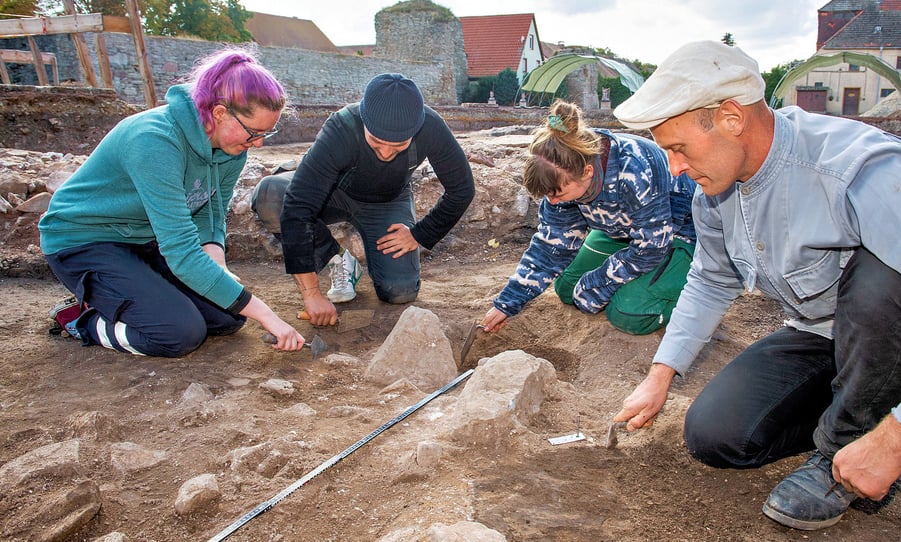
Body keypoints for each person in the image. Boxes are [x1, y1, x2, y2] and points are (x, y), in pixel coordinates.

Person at [611, 40, 901, 530]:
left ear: (730, 117)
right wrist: (660, 376)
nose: (675, 168)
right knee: (716, 435)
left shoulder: (858, 171)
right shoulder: (718, 188)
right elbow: (710, 277)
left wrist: (895, 441)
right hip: (825, 332)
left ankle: (845, 450)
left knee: (877, 282)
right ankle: (861, 405)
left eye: (678, 148)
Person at [39, 47, 305, 357]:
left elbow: (209, 210)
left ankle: (126, 295)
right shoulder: (154, 142)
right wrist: (269, 316)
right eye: (253, 132)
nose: (258, 143)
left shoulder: (232, 148)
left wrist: (216, 264)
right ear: (219, 113)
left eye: (266, 134)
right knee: (178, 333)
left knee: (228, 315)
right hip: (85, 242)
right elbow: (180, 250)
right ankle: (83, 319)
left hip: (144, 239)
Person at [250, 73, 474, 327]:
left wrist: (420, 234)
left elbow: (462, 189)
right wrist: (311, 295)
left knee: (399, 291)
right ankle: (337, 260)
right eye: (377, 142)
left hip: (388, 201)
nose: (387, 153)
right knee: (270, 196)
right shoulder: (341, 127)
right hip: (332, 193)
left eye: (398, 146)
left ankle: (374, 271)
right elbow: (299, 206)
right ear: (364, 121)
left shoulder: (431, 127)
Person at [480, 100, 697, 336]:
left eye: (557, 194)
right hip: (623, 231)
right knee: (567, 287)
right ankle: (635, 282)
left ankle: (694, 295)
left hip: (678, 232)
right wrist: (507, 303)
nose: (552, 202)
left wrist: (600, 281)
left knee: (628, 313)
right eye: (547, 196)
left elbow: (652, 247)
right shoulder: (564, 176)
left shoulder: (634, 170)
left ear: (588, 173)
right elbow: (550, 248)